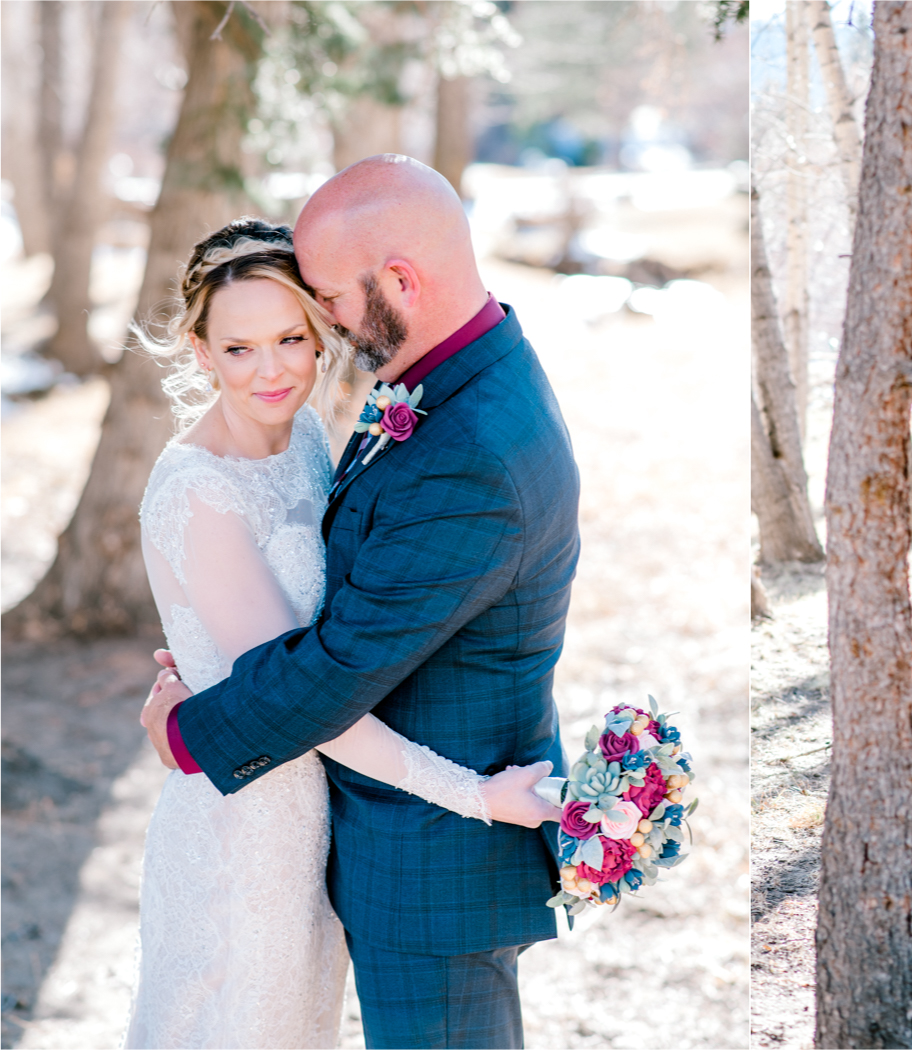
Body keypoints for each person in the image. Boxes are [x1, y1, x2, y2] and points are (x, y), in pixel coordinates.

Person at [139, 155, 578, 1049]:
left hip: (385, 829)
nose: (292, 355)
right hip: (266, 821)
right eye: (239, 347)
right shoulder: (452, 377)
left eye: (308, 320)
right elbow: (329, 648)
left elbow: (335, 663)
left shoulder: (436, 442)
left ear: (400, 285)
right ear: (202, 351)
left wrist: (193, 729)